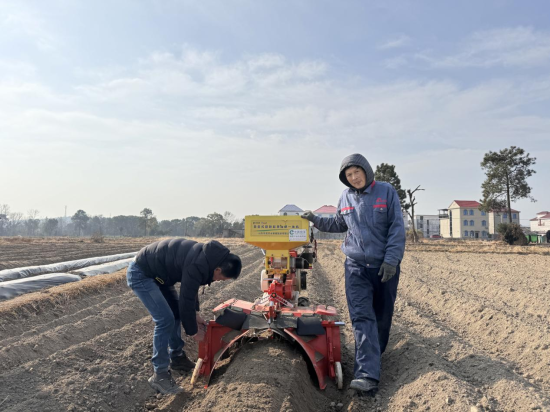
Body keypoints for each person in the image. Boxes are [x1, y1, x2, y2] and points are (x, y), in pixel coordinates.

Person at [301, 153, 405, 395]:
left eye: (357, 172)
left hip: (383, 267)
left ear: (366, 171)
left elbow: (396, 228)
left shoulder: (386, 192)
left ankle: (375, 357)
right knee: (361, 318)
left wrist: (391, 260)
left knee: (381, 316)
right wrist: (315, 219)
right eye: (348, 175)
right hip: (356, 267)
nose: (354, 177)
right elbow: (338, 224)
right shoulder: (345, 197)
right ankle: (367, 375)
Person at [126, 238, 242, 394]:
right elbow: (186, 298)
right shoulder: (199, 264)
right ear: (218, 270)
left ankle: (177, 357)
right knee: (165, 320)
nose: (217, 280)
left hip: (161, 276)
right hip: (142, 273)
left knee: (175, 314)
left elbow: (191, 289)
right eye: (221, 278)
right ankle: (159, 375)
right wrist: (193, 331)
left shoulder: (208, 259)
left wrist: (195, 314)